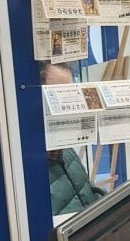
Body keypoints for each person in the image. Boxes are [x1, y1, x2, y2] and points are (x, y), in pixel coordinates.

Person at [42, 62, 106, 217]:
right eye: (58, 96)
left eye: (71, 95)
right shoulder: (26, 170)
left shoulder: (65, 150)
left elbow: (86, 193)